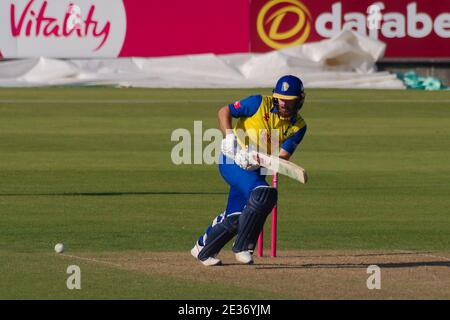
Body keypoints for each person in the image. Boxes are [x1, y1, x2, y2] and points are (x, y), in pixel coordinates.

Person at [191, 75, 307, 266]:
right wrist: (230, 138)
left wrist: (259, 160)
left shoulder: (299, 127)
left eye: (289, 100)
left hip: (255, 168)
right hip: (232, 159)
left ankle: (203, 249)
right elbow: (224, 111)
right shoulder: (258, 103)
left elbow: (282, 159)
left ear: (299, 100)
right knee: (264, 194)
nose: (284, 104)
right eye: (281, 99)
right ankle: (243, 247)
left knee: (237, 217)